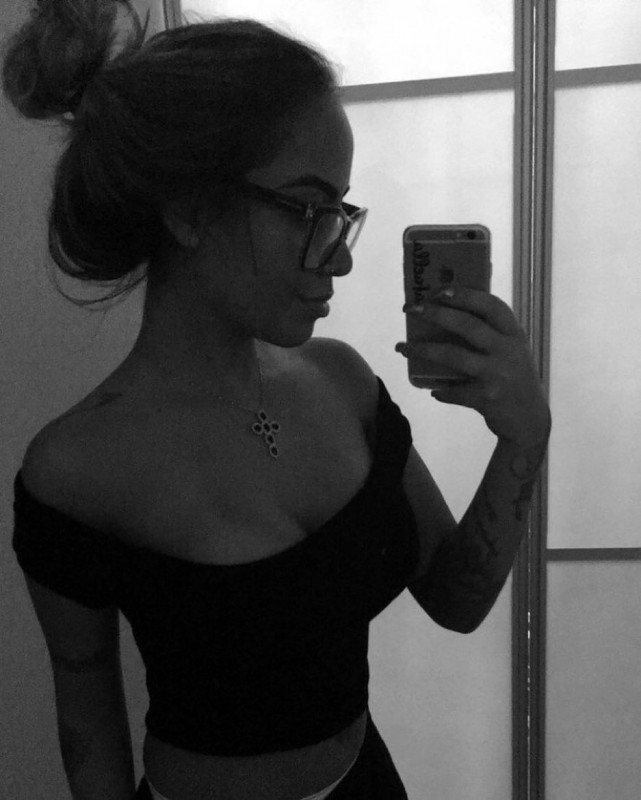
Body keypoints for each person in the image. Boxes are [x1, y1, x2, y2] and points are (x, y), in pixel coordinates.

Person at [4, 2, 552, 799]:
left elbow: (456, 598)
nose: (339, 257)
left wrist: (523, 433)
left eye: (340, 212)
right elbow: (87, 723)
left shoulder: (343, 384)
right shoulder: (72, 468)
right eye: (307, 209)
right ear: (189, 209)